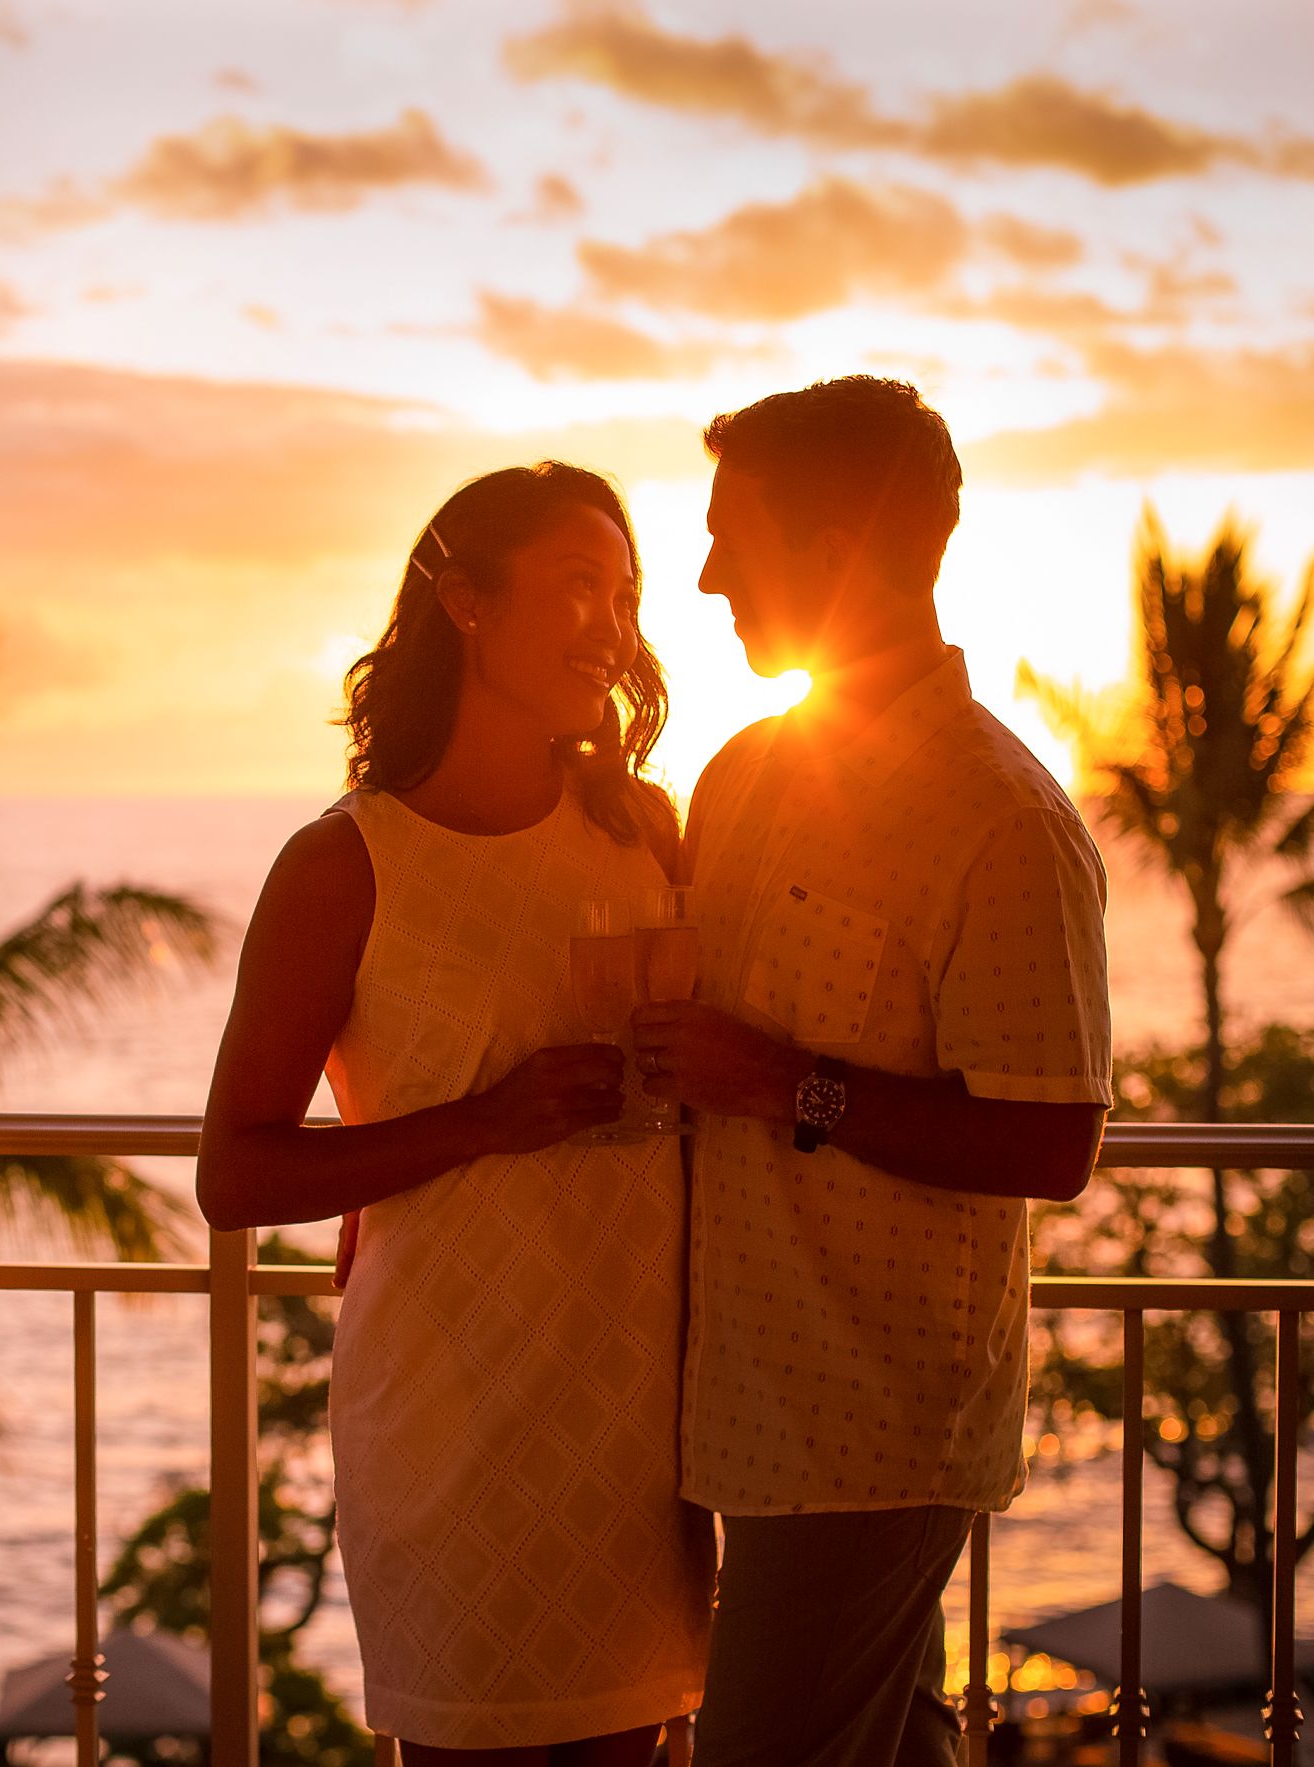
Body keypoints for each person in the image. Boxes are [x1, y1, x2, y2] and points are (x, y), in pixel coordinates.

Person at [197, 462, 714, 1766]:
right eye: (580, 587)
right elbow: (234, 1174)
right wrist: (480, 1123)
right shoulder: (344, 864)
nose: (614, 626)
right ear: (467, 602)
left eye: (628, 595)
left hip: (633, 1427)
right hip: (447, 1426)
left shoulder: (644, 831)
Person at [630, 378, 1113, 1767]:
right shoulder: (740, 774)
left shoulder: (1003, 820)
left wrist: (789, 1085)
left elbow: (1051, 1145)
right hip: (734, 1406)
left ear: (836, 549)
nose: (706, 576)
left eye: (731, 539)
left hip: (869, 1428)